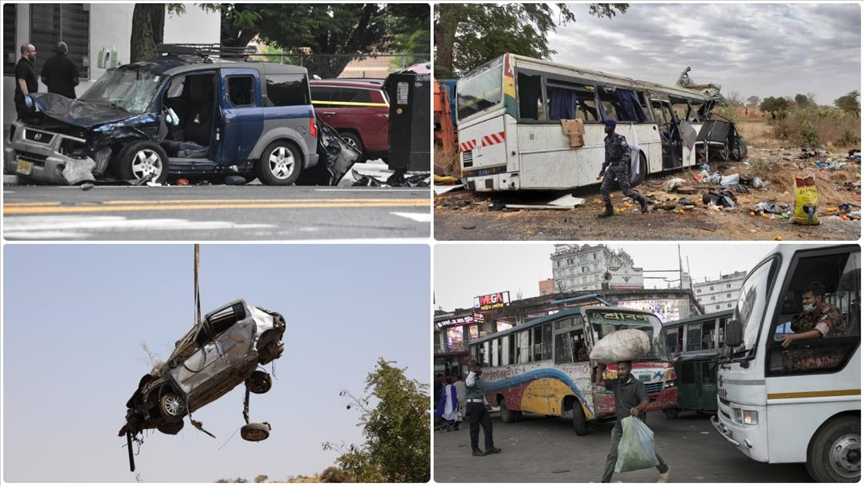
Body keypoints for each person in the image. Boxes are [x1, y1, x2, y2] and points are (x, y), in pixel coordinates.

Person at [596, 360, 670, 483]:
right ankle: (605, 481)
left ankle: (665, 470)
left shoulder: (637, 385)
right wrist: (599, 367)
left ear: (630, 368)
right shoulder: (616, 383)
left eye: (623, 369)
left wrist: (637, 408)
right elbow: (598, 382)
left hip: (634, 426)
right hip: (619, 427)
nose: (620, 372)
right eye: (618, 369)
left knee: (648, 451)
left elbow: (645, 401)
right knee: (612, 455)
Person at [597, 119, 648, 218]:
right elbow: (607, 156)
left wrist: (623, 163)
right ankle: (609, 209)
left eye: (607, 126)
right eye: (605, 126)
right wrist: (603, 169)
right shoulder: (606, 140)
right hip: (613, 166)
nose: (605, 128)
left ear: (612, 128)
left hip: (621, 166)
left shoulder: (620, 138)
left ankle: (642, 200)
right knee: (604, 188)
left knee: (626, 191)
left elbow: (627, 152)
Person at [781, 281, 846, 347]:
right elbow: (797, 328)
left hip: (832, 350)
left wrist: (792, 337)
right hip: (811, 349)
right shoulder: (805, 314)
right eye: (803, 299)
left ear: (818, 298)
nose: (803, 301)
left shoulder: (831, 310)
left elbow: (819, 332)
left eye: (807, 298)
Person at [465, 360, 501, 457]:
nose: (480, 370)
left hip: (480, 405)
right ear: (473, 368)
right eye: (478, 368)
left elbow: (481, 393)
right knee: (474, 429)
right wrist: (472, 371)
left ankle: (489, 447)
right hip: (473, 406)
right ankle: (475, 449)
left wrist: (486, 403)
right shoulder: (469, 378)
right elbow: (470, 384)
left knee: (488, 425)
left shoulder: (478, 379)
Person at [14, 43, 38, 120]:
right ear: (26, 52)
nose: (35, 53)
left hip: (30, 98)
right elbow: (22, 81)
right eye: (33, 51)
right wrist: (27, 96)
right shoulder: (23, 65)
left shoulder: (28, 64)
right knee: (25, 119)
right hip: (23, 100)